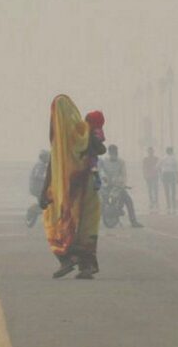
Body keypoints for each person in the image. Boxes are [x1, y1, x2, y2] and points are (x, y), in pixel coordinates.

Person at [39, 95, 107, 279]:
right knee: (83, 224)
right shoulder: (79, 132)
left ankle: (70, 259)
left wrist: (44, 189)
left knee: (63, 221)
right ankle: (83, 264)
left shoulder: (70, 134)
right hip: (84, 185)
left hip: (73, 187)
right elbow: (100, 149)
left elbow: (52, 164)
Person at [100, 145, 144, 228]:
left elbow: (123, 174)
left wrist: (119, 182)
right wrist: (105, 179)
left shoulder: (121, 162)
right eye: (111, 152)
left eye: (114, 152)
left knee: (128, 200)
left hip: (117, 186)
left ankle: (133, 221)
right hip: (106, 186)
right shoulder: (104, 161)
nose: (113, 154)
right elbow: (102, 171)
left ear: (117, 152)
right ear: (109, 153)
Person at [25, 150, 50, 228]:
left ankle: (33, 212)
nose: (49, 158)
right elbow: (37, 175)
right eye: (47, 157)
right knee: (45, 204)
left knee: (44, 203)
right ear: (43, 157)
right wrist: (46, 179)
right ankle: (32, 210)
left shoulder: (41, 165)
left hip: (37, 188)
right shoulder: (40, 165)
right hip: (37, 188)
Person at [85, 111, 106, 190]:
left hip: (91, 155)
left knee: (93, 166)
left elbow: (99, 143)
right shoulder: (87, 131)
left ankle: (97, 179)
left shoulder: (96, 132)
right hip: (84, 153)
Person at [158, 147, 178, 215]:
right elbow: (176, 169)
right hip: (171, 174)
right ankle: (172, 205)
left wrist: (161, 174)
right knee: (172, 191)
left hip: (166, 174)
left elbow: (158, 167)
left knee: (167, 191)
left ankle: (169, 205)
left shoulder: (163, 158)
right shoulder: (174, 158)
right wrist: (177, 178)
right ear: (171, 151)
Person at [142, 147, 160, 213]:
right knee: (150, 189)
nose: (150, 152)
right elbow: (143, 168)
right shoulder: (145, 159)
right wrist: (144, 175)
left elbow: (159, 167)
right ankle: (151, 201)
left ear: (153, 152)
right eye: (149, 151)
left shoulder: (156, 159)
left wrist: (159, 174)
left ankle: (156, 200)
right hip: (148, 176)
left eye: (151, 151)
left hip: (155, 175)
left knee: (155, 188)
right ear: (148, 152)